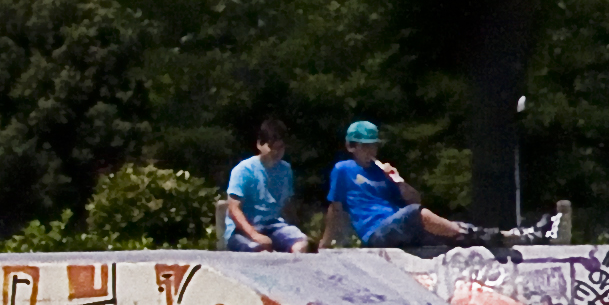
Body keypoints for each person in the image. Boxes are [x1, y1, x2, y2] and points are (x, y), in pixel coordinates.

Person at [327, 120, 516, 260]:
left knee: (445, 233)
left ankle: (502, 237)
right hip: (375, 231)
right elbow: (335, 208)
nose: (371, 152)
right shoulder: (344, 169)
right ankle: (476, 233)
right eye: (365, 146)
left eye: (374, 146)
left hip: (399, 226)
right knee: (415, 214)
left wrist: (399, 181)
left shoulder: (382, 173)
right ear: (352, 147)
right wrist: (326, 242)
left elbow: (415, 200)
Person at [221, 119, 310, 252]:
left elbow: (287, 205)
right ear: (259, 145)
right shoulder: (243, 170)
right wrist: (255, 235)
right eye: (272, 147)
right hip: (242, 230)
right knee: (261, 250)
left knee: (302, 245)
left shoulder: (285, 170)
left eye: (280, 148)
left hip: (274, 225)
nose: (276, 152)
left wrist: (295, 227)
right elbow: (234, 209)